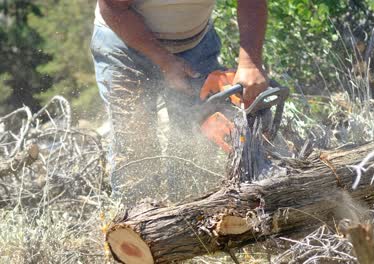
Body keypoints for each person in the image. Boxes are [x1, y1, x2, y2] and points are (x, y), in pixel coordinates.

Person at [91, 0, 268, 205]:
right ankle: (134, 222)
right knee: (135, 143)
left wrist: (250, 62)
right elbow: (112, 7)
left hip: (195, 43)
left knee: (197, 139)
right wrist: (165, 60)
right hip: (124, 43)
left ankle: (191, 219)